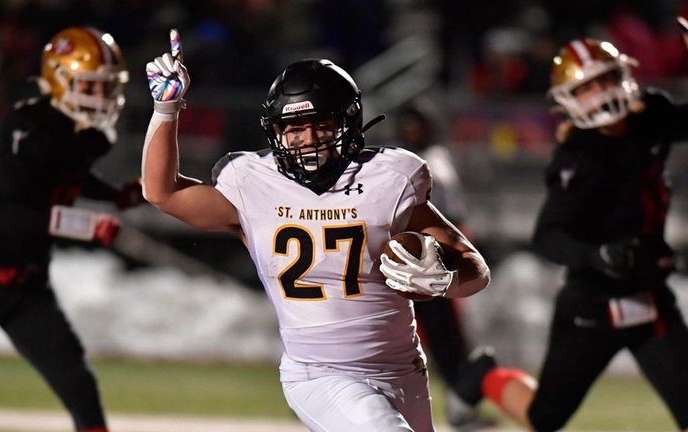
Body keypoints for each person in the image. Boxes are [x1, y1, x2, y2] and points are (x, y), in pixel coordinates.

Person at [142, 29, 491, 431]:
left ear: (348, 121)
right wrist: (165, 111)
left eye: (320, 125)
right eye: (294, 127)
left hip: (403, 369)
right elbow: (162, 191)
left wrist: (445, 280)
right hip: (321, 373)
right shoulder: (251, 183)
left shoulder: (388, 179)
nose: (307, 140)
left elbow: (474, 266)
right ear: (276, 131)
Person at [453, 35, 688, 432]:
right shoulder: (577, 157)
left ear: (624, 77)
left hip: (650, 296)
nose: (600, 93)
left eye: (605, 80)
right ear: (568, 99)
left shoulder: (648, 117)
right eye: (586, 87)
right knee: (544, 418)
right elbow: (547, 236)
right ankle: (483, 375)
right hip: (593, 305)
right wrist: (596, 255)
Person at [0, 27, 143, 432]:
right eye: (91, 87)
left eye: (106, 88)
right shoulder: (28, 127)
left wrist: (114, 196)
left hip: (26, 285)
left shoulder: (77, 133)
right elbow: (6, 214)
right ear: (61, 80)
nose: (101, 99)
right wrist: (84, 225)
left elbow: (69, 177)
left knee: (78, 384)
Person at [391, 106, 493, 431]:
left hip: (431, 257)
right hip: (404, 258)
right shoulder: (405, 162)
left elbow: (450, 216)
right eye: (406, 126)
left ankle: (461, 406)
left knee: (445, 339)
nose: (411, 132)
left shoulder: (432, 160)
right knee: (398, 337)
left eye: (415, 126)